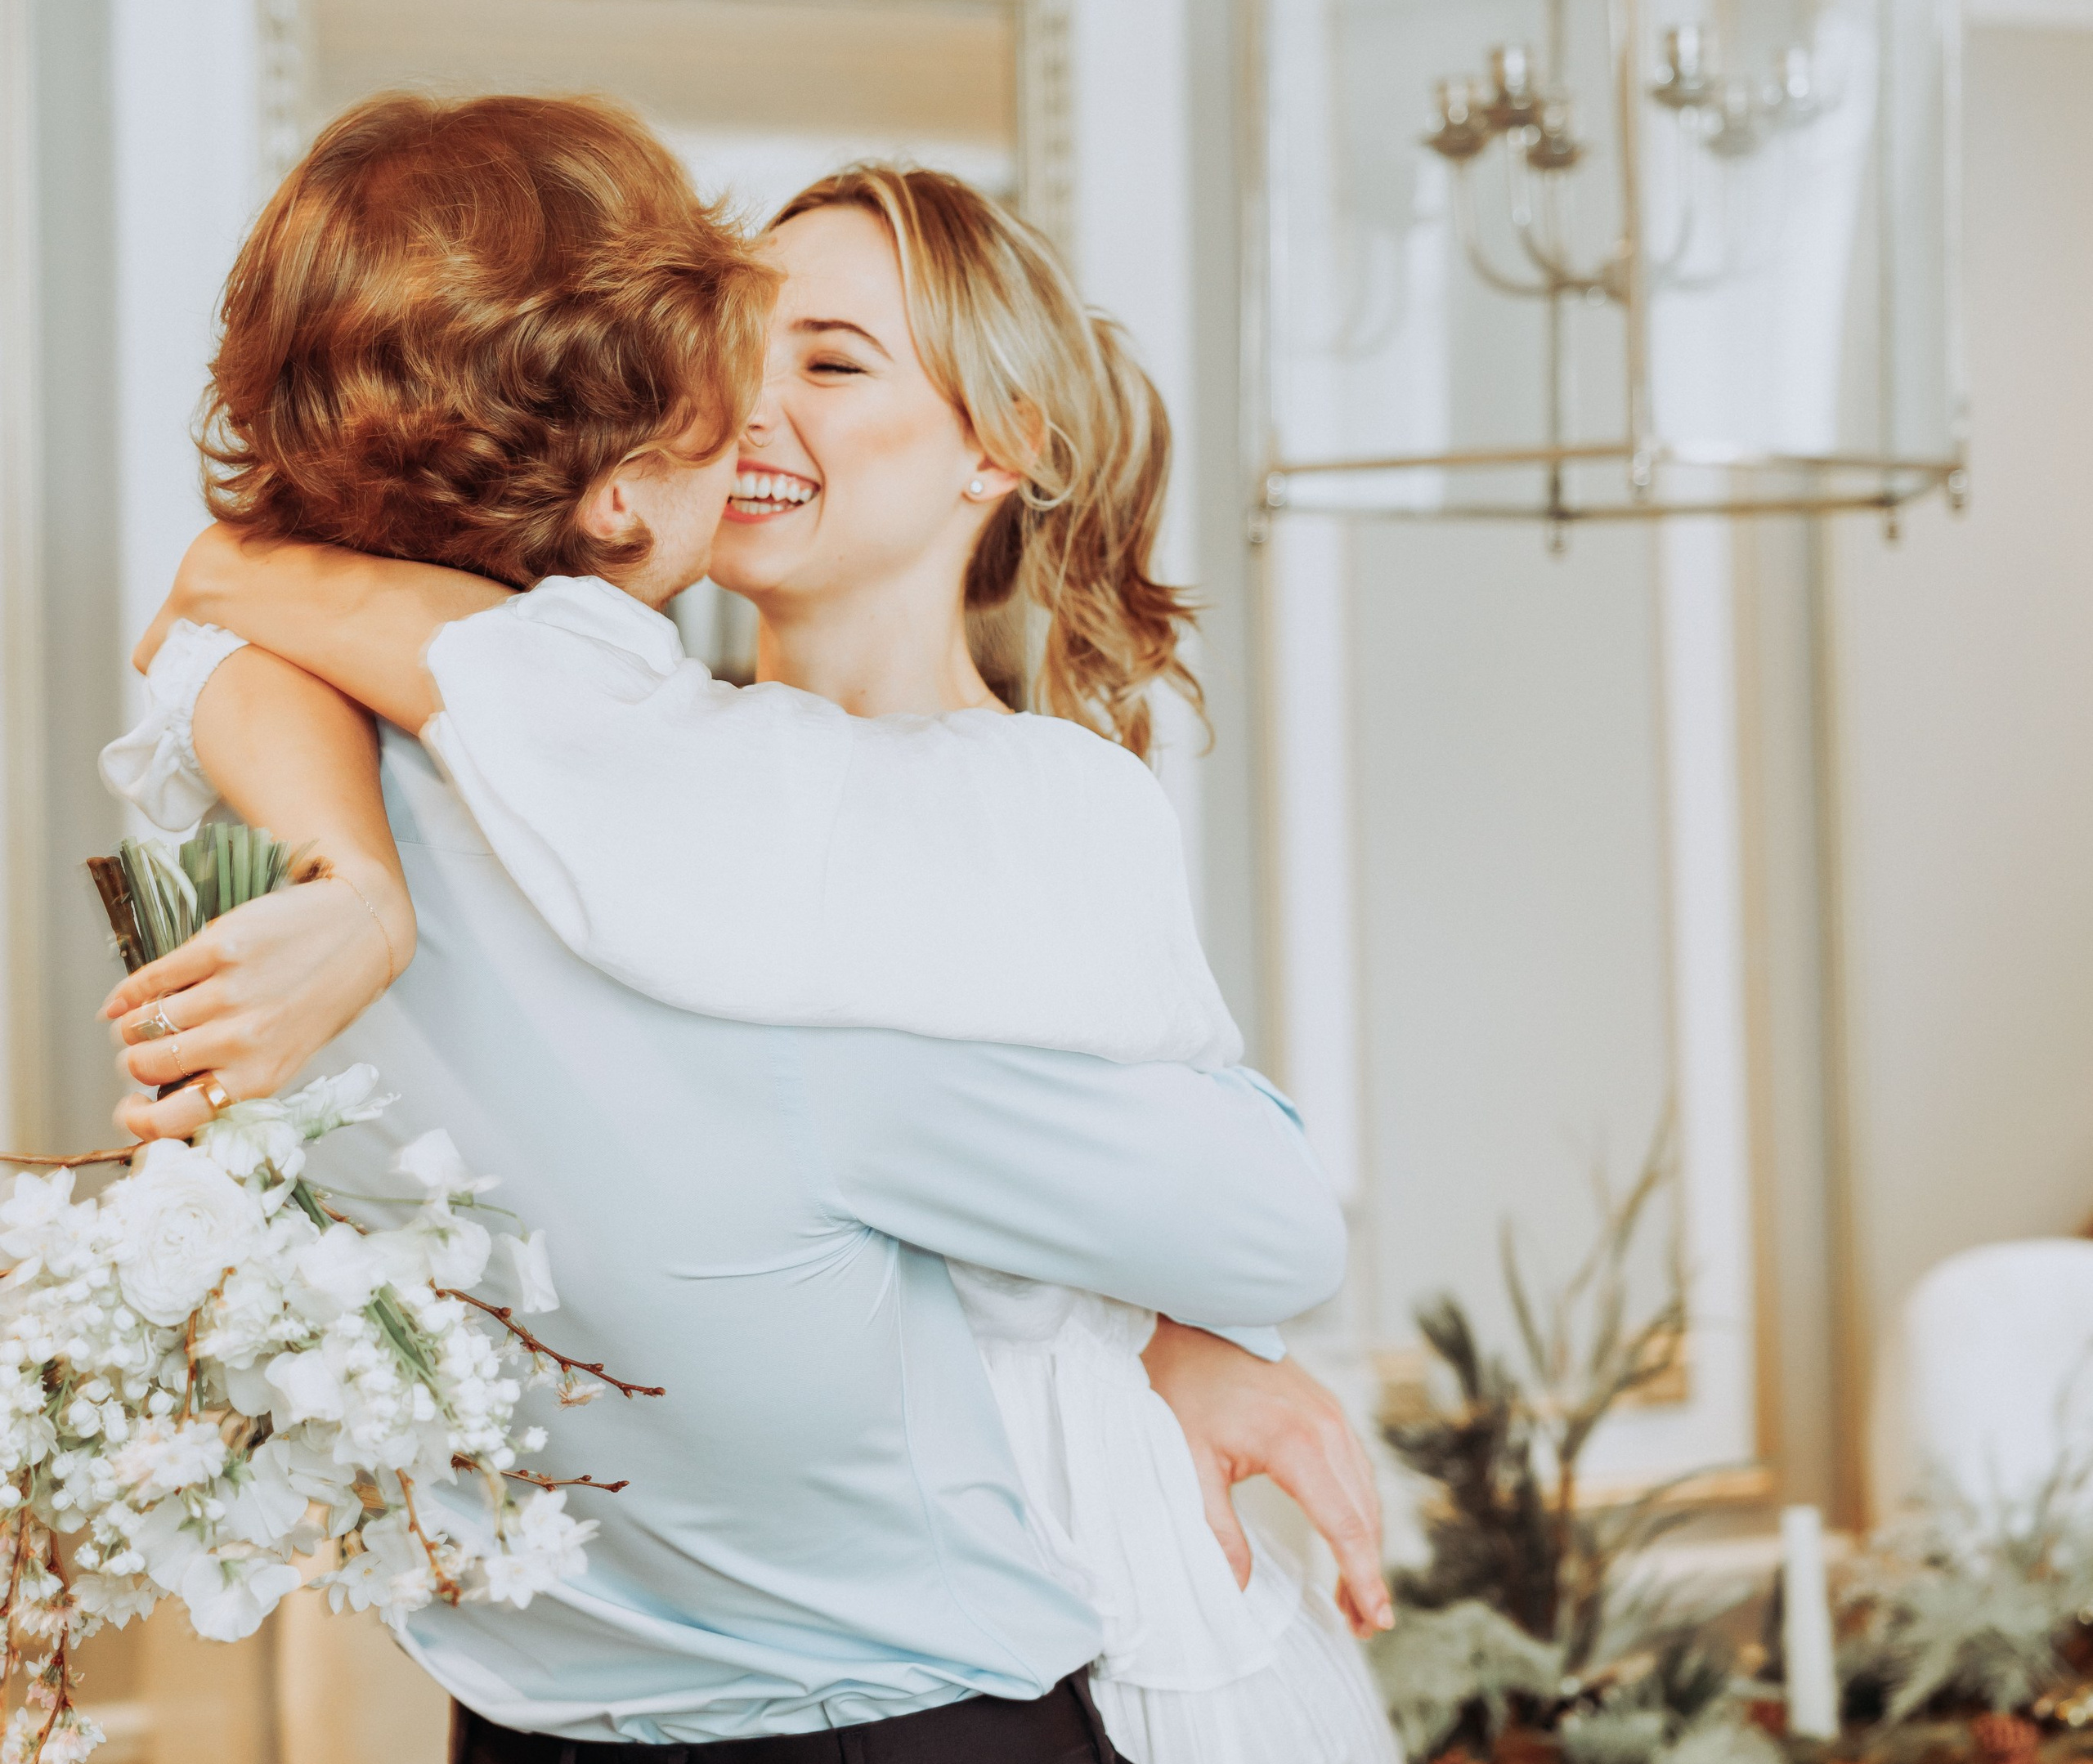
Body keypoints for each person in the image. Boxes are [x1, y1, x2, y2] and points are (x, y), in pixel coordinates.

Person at [101, 98, 1391, 1762]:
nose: (758, 403)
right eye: (738, 352)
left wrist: (1168, 1326)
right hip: (699, 1670)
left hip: (1005, 1619)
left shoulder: (1003, 801)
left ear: (995, 445)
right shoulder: (613, 770)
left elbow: (230, 595)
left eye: (835, 364)